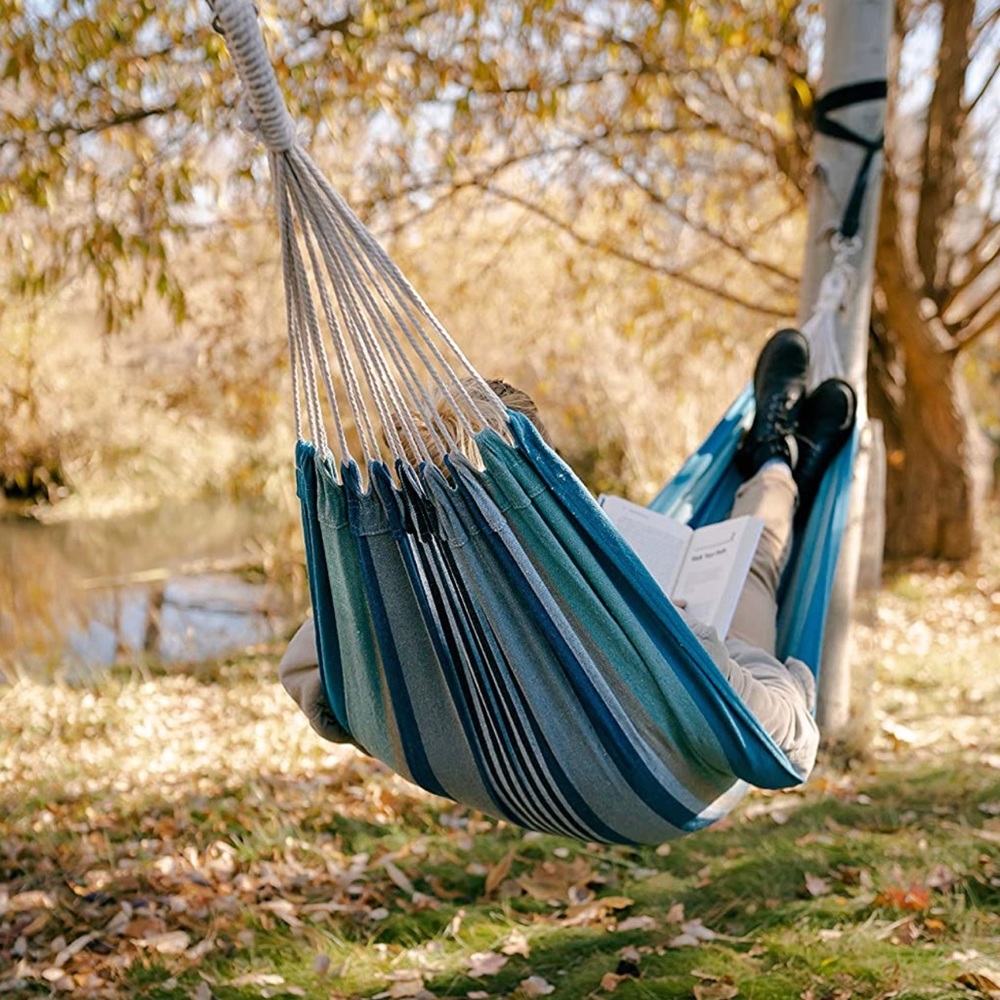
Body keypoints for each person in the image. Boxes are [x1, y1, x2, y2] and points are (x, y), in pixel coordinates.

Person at [279, 330, 856, 778]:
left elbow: (313, 672)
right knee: (754, 560)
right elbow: (787, 741)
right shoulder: (637, 632)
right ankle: (778, 459)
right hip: (667, 745)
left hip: (540, 768)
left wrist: (389, 567)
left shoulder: (390, 630)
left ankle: (780, 457)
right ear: (550, 491)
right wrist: (793, 682)